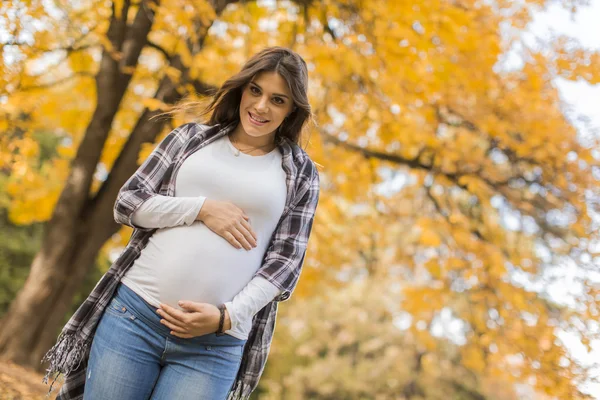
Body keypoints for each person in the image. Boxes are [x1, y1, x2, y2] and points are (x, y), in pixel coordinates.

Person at [41, 46, 321, 400]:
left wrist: (227, 316)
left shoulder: (300, 173)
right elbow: (129, 203)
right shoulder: (189, 139)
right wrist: (201, 209)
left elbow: (285, 265)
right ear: (241, 88)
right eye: (255, 90)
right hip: (134, 317)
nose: (262, 106)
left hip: (213, 347)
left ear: (292, 108)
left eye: (278, 99)